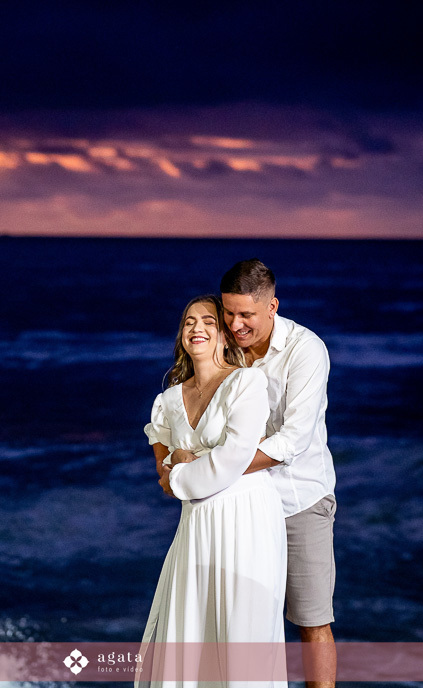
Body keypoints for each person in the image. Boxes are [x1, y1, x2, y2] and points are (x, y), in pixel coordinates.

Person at [139, 294, 287, 688]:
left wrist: (181, 470)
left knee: (243, 635)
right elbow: (163, 473)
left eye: (208, 321)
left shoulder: (246, 383)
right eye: (189, 322)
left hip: (247, 518)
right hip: (196, 524)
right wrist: (176, 466)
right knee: (191, 632)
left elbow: (233, 458)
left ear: (224, 335)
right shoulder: (169, 401)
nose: (197, 328)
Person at [220, 260, 337, 688]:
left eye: (246, 314)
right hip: (238, 505)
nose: (235, 325)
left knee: (312, 622)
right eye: (228, 312)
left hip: (298, 503)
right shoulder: (222, 344)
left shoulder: (306, 350)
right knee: (239, 623)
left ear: (272, 306)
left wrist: (216, 468)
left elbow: (293, 441)